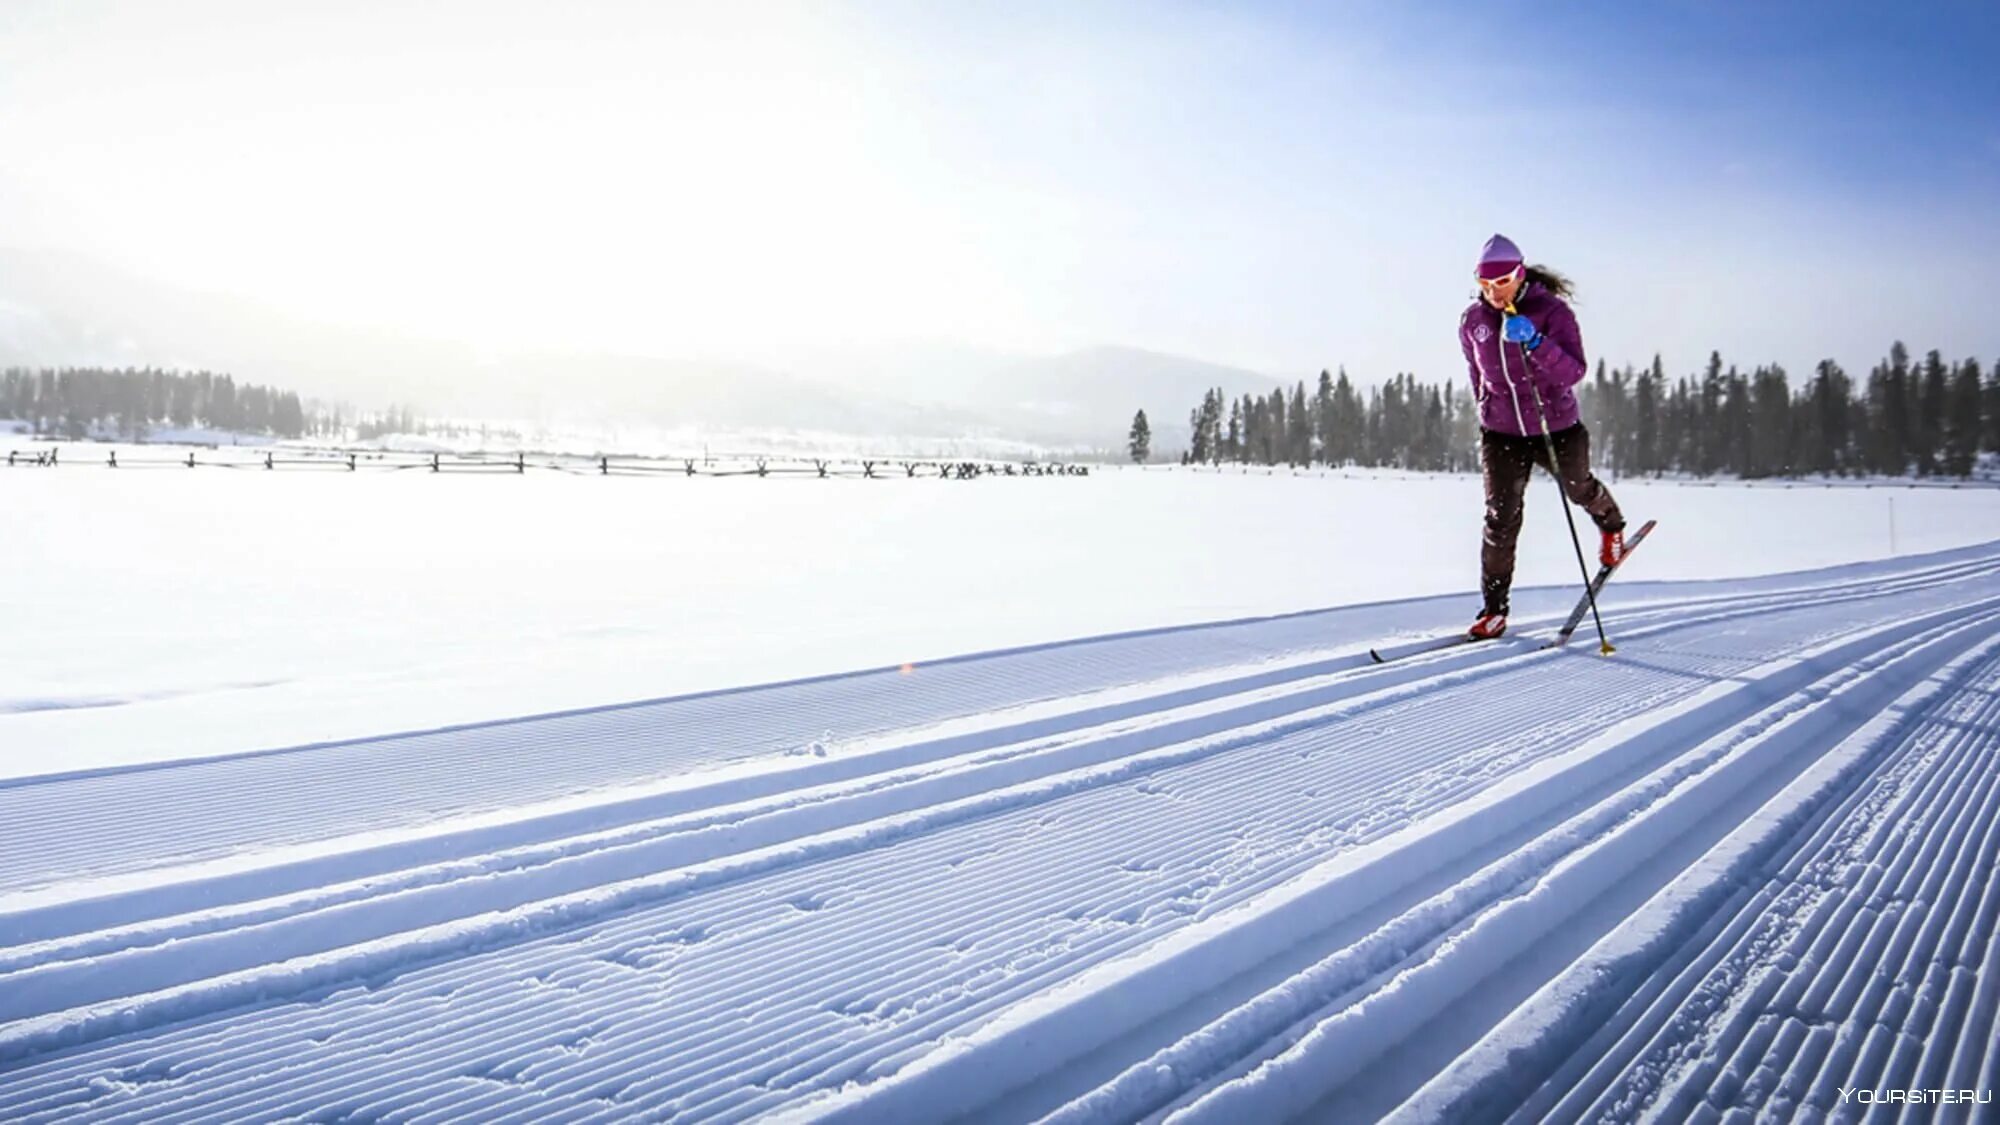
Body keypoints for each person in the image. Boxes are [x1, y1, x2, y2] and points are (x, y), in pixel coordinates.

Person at [1460, 233, 1626, 640]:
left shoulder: (1552, 313)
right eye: (1485, 285)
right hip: (1500, 433)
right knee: (1500, 519)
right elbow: (1475, 371)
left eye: (1501, 283)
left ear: (1519, 275)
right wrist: (1484, 402)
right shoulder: (1473, 321)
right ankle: (1494, 611)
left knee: (1579, 488)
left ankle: (1612, 526)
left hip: (1556, 428)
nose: (1493, 292)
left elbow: (1573, 371)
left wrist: (1535, 342)